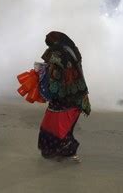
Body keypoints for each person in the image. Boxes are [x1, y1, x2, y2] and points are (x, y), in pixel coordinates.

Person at [37, 31, 91, 162]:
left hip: (63, 96)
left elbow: (54, 73)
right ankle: (66, 152)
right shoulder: (73, 49)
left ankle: (60, 151)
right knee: (66, 126)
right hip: (78, 93)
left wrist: (42, 75)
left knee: (55, 124)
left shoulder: (57, 53)